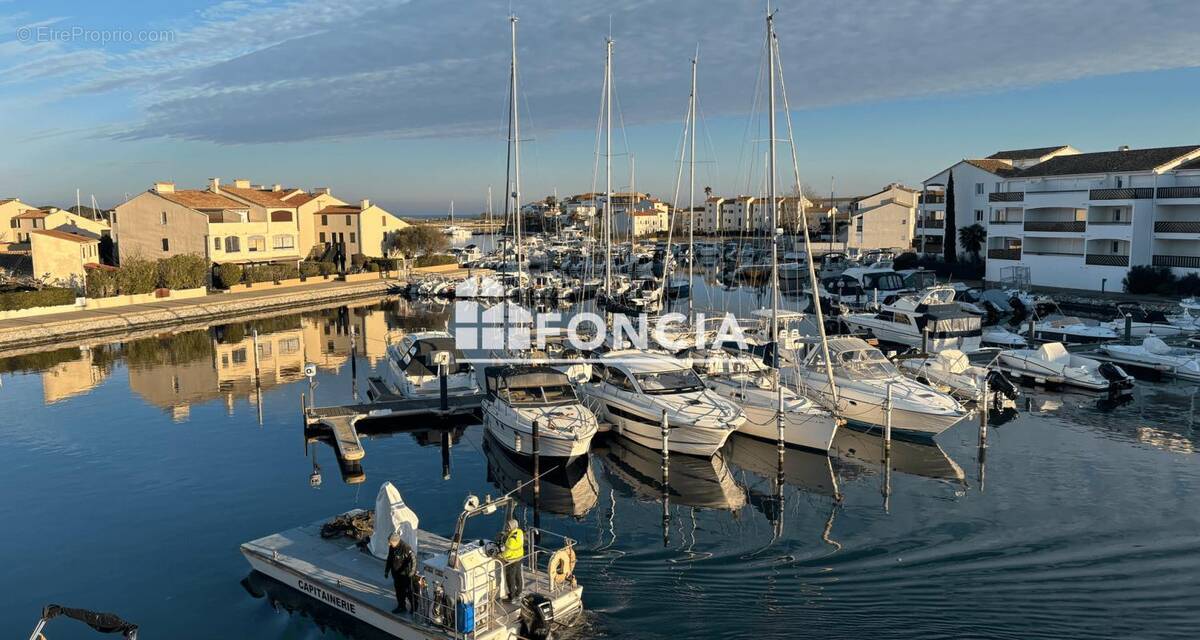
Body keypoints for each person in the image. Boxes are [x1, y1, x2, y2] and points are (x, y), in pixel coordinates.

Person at [384, 532, 416, 614]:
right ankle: (401, 606)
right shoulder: (392, 547)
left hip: (405, 575)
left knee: (408, 592)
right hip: (396, 574)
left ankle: (414, 606)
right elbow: (389, 559)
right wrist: (387, 570)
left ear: (395, 541)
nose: (389, 544)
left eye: (390, 542)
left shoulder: (405, 548)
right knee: (399, 591)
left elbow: (413, 560)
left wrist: (412, 572)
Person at [500, 518, 525, 602]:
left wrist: (500, 555)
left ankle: (512, 596)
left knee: (510, 578)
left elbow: (507, 552)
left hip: (511, 560)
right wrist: (507, 534)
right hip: (519, 557)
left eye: (509, 526)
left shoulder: (511, 540)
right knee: (518, 575)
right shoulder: (520, 532)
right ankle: (519, 592)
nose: (507, 528)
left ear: (513, 527)